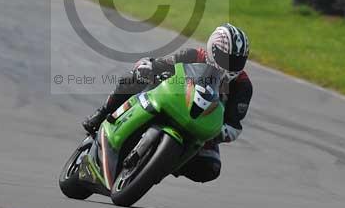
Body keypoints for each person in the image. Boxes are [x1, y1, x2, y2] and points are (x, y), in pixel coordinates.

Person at [81, 23, 252, 183]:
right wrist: (148, 67)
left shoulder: (243, 87)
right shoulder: (193, 56)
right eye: (226, 58)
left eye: (237, 61)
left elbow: (234, 125)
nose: (231, 66)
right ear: (212, 50)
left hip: (199, 129)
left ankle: (160, 164)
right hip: (168, 101)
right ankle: (102, 113)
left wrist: (218, 132)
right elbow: (162, 64)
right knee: (134, 79)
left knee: (210, 168)